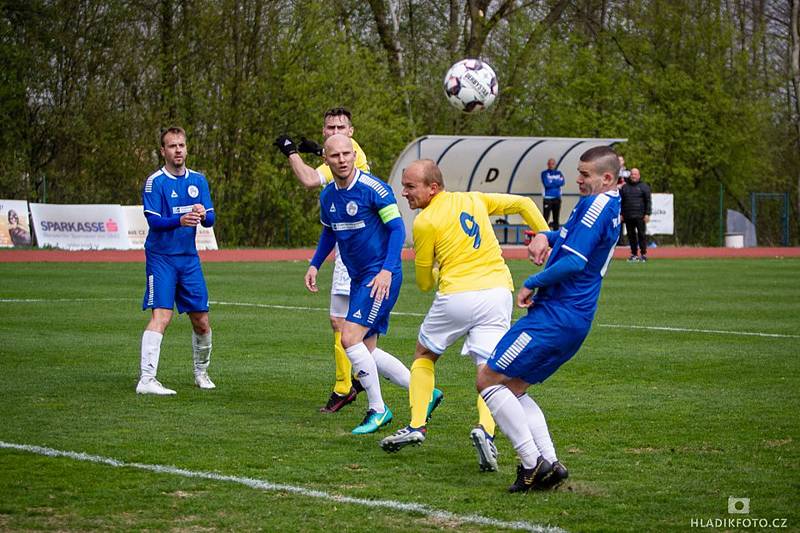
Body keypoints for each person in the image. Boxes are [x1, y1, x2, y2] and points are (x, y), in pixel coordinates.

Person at [379, 160, 550, 473]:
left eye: (410, 187)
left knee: (424, 354)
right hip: (498, 293)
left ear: (433, 188)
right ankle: (485, 430)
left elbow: (424, 283)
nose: (404, 193)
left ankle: (417, 424)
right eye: (404, 186)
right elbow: (524, 203)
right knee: (490, 371)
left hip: (458, 295)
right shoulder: (474, 199)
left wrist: (434, 267)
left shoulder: (424, 222)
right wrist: (544, 233)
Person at [476, 146, 622, 492]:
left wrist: (531, 282)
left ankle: (531, 464)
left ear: (606, 178)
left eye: (585, 174)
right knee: (515, 387)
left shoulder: (597, 206)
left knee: (488, 379)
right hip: (573, 319)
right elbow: (569, 240)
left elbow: (575, 262)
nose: (578, 179)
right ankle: (551, 464)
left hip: (555, 317)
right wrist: (546, 235)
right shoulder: (607, 204)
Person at [304, 134, 439, 434]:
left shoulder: (373, 189)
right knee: (367, 349)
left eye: (346, 154)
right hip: (359, 278)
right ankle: (424, 391)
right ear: (325, 160)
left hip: (379, 277)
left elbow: (396, 229)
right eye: (335, 155)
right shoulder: (327, 196)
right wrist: (315, 263)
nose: (342, 160)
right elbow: (330, 233)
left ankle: (378, 409)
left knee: (349, 338)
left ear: (354, 155)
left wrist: (387, 271)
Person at [275, 107, 369, 413]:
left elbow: (309, 178)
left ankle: (348, 386)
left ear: (351, 132)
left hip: (355, 246)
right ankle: (357, 379)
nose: (336, 131)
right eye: (330, 127)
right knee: (346, 324)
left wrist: (290, 151)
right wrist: (317, 150)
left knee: (344, 323)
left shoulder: (348, 154)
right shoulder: (344, 154)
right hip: (347, 242)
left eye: (341, 126)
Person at [136, 126, 217, 395]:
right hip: (161, 258)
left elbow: (212, 219)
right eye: (172, 146)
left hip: (189, 259)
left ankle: (201, 373)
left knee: (202, 320)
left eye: (181, 145)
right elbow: (154, 222)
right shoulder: (155, 182)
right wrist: (180, 220)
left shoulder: (199, 180)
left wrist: (202, 214)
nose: (178, 150)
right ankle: (147, 379)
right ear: (163, 151)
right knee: (162, 315)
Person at [620, 167, 652, 262]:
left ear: (639, 175)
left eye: (635, 174)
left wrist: (647, 214)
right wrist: (621, 214)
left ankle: (643, 254)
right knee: (631, 235)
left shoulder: (644, 187)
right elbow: (621, 202)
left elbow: (648, 201)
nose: (633, 176)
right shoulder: (624, 187)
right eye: (632, 174)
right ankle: (634, 254)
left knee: (641, 235)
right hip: (628, 216)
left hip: (640, 216)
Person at [540, 158, 565, 230]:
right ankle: (544, 234)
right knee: (545, 218)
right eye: (549, 163)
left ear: (555, 164)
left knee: (556, 218)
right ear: (547, 164)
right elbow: (546, 184)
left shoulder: (558, 173)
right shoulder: (544, 173)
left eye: (553, 163)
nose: (551, 165)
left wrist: (552, 182)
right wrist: (556, 182)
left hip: (557, 198)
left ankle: (555, 235)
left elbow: (562, 182)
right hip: (548, 198)